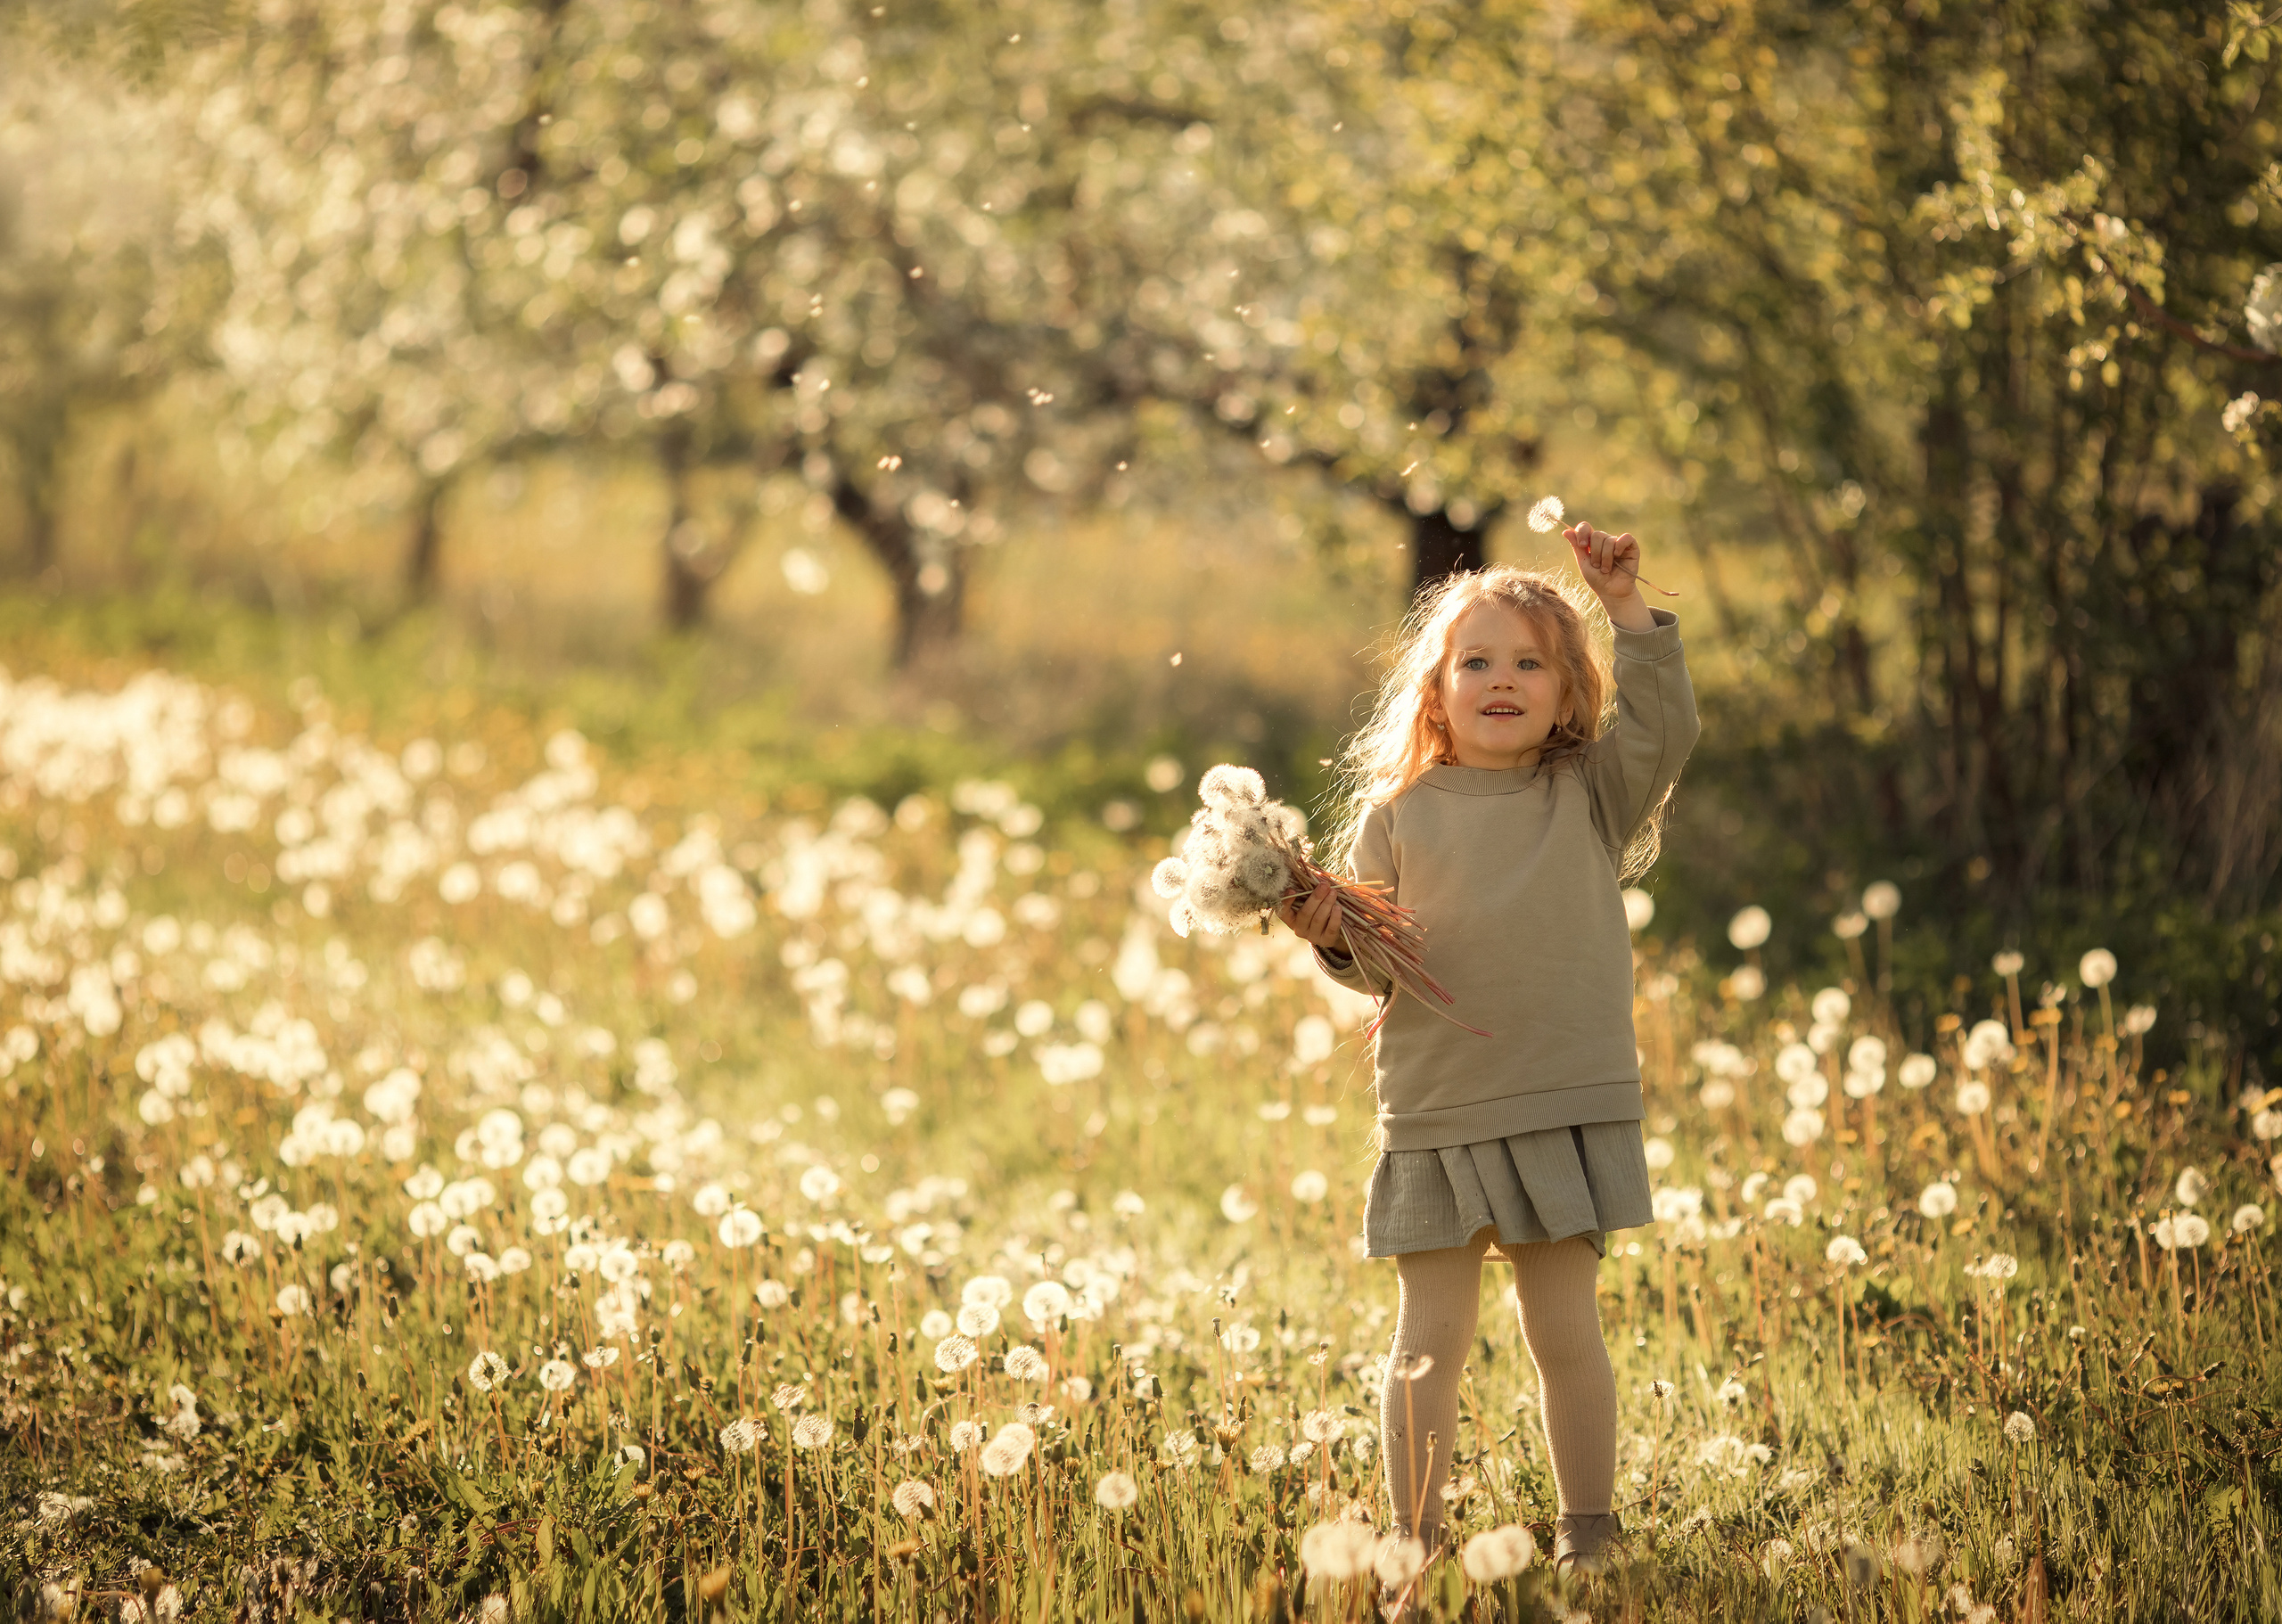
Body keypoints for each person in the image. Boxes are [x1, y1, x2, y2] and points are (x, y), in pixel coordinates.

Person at [1276, 521, 1699, 1587]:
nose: (1501, 679)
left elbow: (1669, 724)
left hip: (1562, 1097)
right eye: (1477, 661)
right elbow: (1373, 969)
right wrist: (1321, 925)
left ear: (1568, 697)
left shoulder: (1589, 795)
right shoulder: (1397, 816)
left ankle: (1587, 1536)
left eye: (1529, 663)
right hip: (1442, 1103)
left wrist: (1626, 607)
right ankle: (1409, 1543)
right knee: (1428, 1340)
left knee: (1565, 1333)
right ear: (1435, 690)